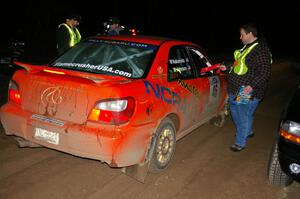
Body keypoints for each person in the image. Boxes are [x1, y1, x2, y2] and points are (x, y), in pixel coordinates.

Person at [220, 23, 272, 152]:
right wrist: (227, 67)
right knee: (235, 112)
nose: (240, 37)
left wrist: (251, 86)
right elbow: (239, 65)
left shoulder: (260, 50)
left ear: (249, 34)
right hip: (234, 88)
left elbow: (265, 72)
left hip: (246, 91)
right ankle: (247, 131)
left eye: (242, 34)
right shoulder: (247, 48)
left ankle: (240, 142)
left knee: (243, 115)